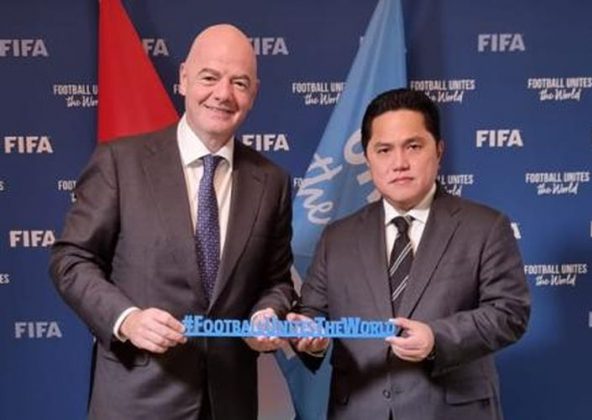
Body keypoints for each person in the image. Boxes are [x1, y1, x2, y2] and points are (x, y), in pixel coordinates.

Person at [49, 24, 295, 419]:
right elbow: (71, 260)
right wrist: (127, 320)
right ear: (183, 77)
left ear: (254, 93)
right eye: (209, 77)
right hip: (136, 400)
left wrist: (267, 314)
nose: (223, 94)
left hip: (230, 403)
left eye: (239, 83)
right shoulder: (120, 163)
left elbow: (277, 282)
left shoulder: (273, 182)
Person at [288, 88, 530, 420]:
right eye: (384, 150)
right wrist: (311, 338)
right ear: (368, 158)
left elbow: (509, 313)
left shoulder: (486, 226)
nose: (399, 163)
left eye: (413, 146)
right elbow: (312, 313)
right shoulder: (337, 238)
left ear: (439, 150)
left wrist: (437, 338)